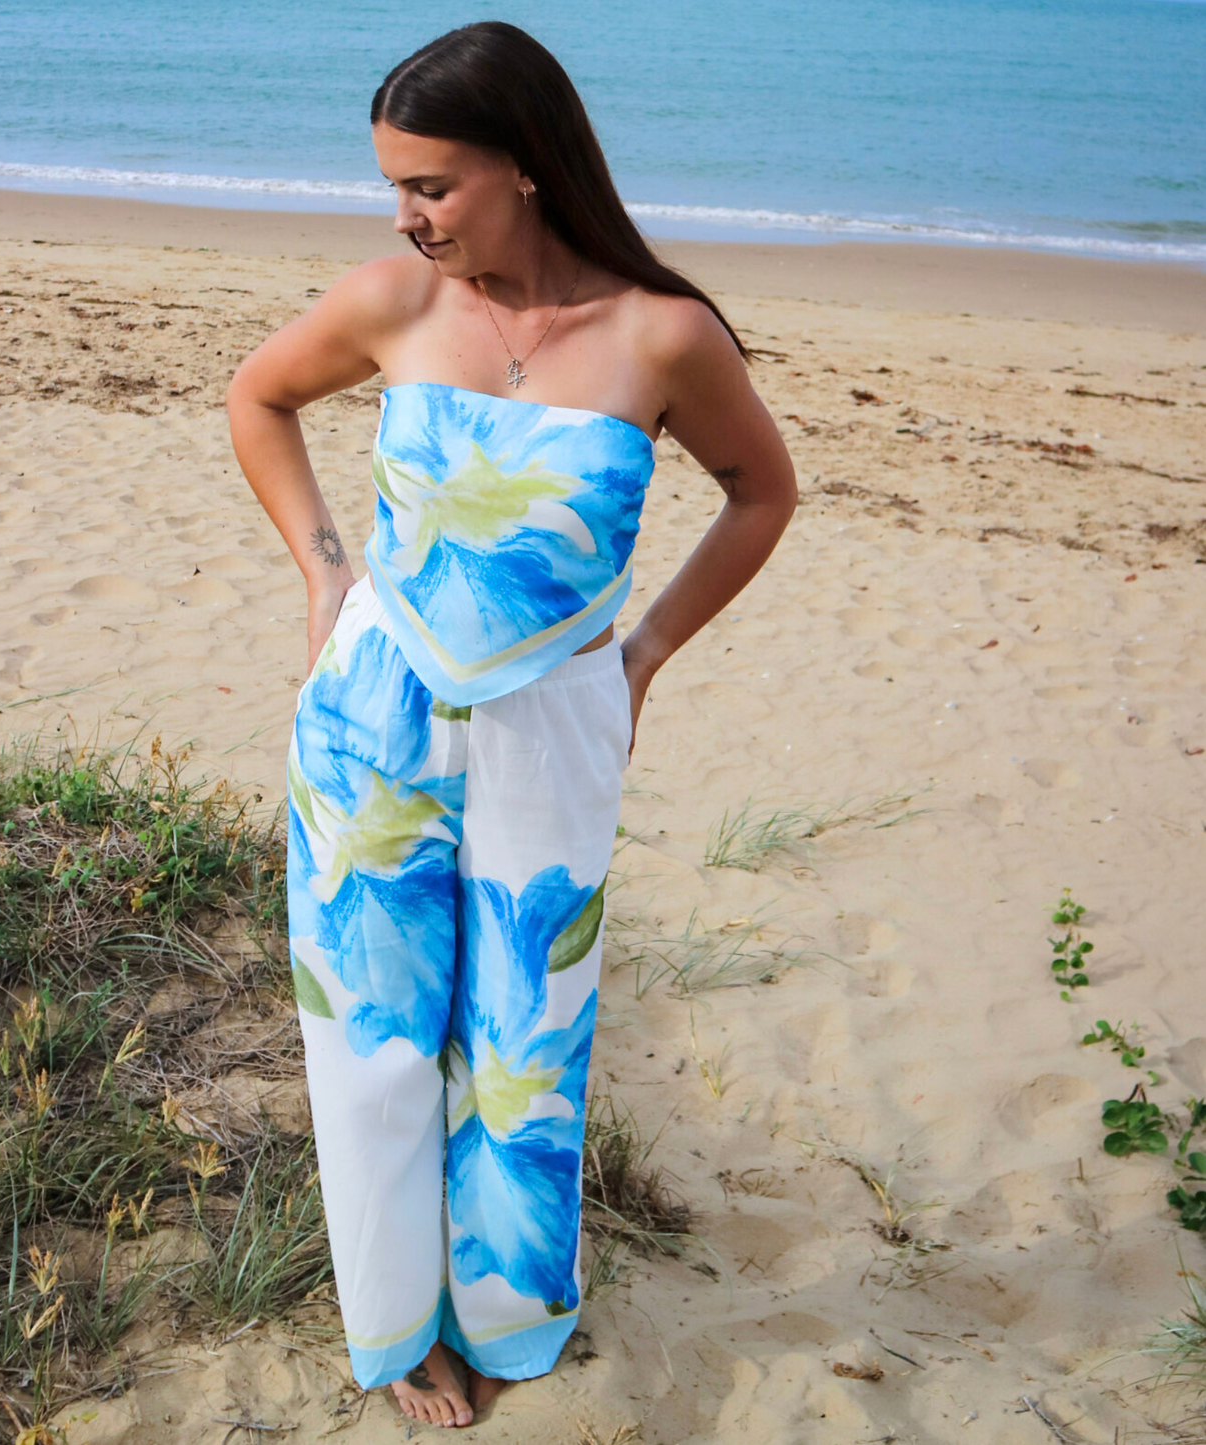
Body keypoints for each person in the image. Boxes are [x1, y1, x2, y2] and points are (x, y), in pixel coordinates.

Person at [225, 20, 797, 1429]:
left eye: (431, 185)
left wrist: (643, 656)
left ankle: (506, 1319)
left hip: (555, 726)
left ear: (527, 165)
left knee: (523, 1034)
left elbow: (762, 492)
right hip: (373, 713)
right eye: (393, 185)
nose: (404, 215)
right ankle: (395, 1332)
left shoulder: (663, 335)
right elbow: (260, 396)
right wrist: (324, 573)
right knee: (370, 1040)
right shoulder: (392, 302)